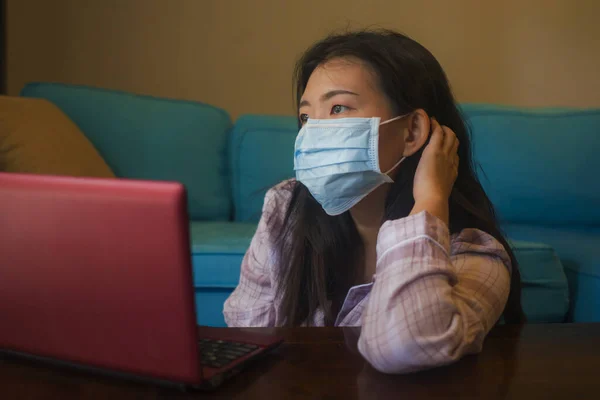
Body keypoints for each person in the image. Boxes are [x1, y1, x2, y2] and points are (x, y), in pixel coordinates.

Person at [224, 29, 524, 374]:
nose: (312, 133)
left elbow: (405, 347)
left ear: (411, 131)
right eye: (306, 116)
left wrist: (430, 199)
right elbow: (245, 333)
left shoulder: (475, 254)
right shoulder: (286, 209)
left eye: (338, 107)